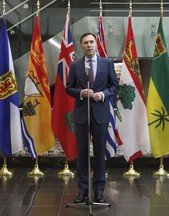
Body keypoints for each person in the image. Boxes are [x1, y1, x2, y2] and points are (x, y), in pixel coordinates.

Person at [66, 32, 119, 204]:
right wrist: (81, 93)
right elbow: (68, 88)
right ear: (81, 46)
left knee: (99, 155)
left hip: (100, 115)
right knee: (82, 155)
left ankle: (98, 192)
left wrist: (102, 95)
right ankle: (82, 192)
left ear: (96, 44)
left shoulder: (107, 63)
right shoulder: (75, 65)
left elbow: (114, 86)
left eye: (91, 42)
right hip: (82, 115)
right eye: (85, 43)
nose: (89, 45)